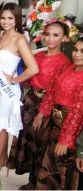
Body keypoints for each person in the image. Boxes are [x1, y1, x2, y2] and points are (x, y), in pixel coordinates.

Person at [7, 21, 71, 190]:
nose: (50, 39)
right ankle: (30, 181)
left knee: (41, 146)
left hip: (45, 106)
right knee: (29, 143)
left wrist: (42, 113)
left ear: (64, 38)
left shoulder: (64, 62)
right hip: (29, 101)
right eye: (48, 34)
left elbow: (53, 90)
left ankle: (37, 183)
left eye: (56, 35)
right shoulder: (39, 55)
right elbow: (26, 77)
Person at [0, 3, 39, 174]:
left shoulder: (19, 39)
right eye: (3, 17)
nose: (6, 21)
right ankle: (1, 158)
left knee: (2, 127)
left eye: (10, 18)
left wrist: (14, 79)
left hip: (8, 91)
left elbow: (33, 68)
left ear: (17, 19)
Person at [35, 37, 83, 190]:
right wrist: (42, 113)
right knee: (48, 164)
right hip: (55, 123)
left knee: (61, 168)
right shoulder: (68, 68)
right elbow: (52, 92)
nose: (77, 54)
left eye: (82, 51)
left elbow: (78, 112)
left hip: (70, 128)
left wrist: (65, 140)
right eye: (75, 50)